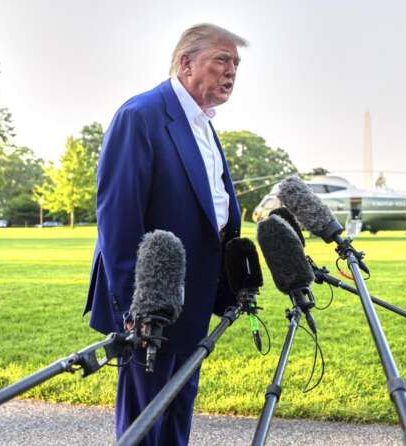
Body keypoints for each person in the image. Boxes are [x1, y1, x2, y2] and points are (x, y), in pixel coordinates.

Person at [83, 24, 246, 445]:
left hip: (192, 302)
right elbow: (118, 219)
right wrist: (135, 306)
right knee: (146, 423)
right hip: (152, 303)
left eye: (236, 64)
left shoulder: (203, 125)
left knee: (175, 418)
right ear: (185, 62)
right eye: (222, 61)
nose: (231, 72)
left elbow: (215, 210)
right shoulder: (141, 116)